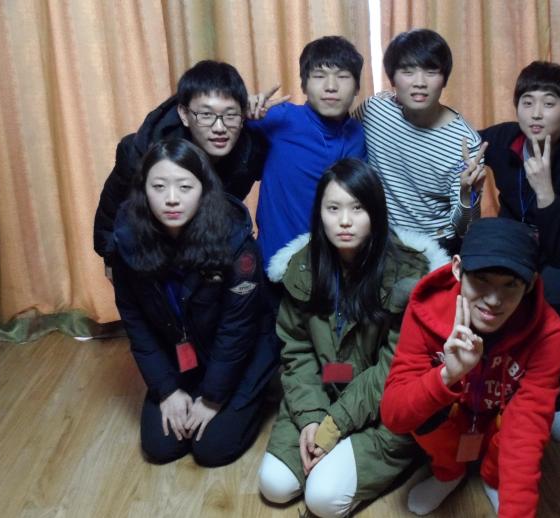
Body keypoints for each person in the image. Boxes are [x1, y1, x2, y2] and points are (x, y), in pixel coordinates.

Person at [257, 158, 448, 518]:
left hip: (385, 410)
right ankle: (327, 448)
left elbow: (394, 369)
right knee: (275, 485)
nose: (344, 221)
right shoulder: (302, 267)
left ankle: (407, 456)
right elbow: (297, 354)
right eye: (333, 208)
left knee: (322, 499)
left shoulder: (409, 275)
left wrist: (335, 426)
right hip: (323, 393)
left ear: (376, 212)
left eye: (357, 208)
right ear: (320, 214)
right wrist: (312, 418)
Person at [381, 218, 560, 517]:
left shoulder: (549, 333)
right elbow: (394, 415)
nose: (493, 300)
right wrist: (447, 375)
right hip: (455, 418)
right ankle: (449, 473)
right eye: (481, 279)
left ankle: (493, 477)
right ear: (457, 269)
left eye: (510, 285)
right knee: (423, 409)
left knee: (526, 425)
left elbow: (527, 431)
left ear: (530, 283)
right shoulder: (425, 311)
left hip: (499, 419)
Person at [110, 138, 277, 467]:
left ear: (203, 189)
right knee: (161, 447)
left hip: (242, 354)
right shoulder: (128, 241)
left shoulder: (234, 241)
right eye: (159, 186)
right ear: (144, 190)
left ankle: (255, 394)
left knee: (211, 448)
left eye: (185, 187)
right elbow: (137, 327)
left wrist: (212, 397)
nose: (172, 198)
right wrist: (167, 390)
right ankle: (190, 389)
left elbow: (237, 330)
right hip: (181, 355)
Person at [478, 61, 560, 442]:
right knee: (478, 274)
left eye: (549, 104)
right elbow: (456, 141)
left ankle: (553, 398)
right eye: (527, 102)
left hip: (555, 251)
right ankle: (488, 386)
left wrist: (546, 192)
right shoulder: (503, 139)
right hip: (512, 242)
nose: (536, 113)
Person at [95, 60, 266, 274]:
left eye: (229, 114)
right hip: (151, 254)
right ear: (184, 115)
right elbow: (111, 210)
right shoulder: (142, 151)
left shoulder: (249, 149)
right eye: (206, 115)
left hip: (208, 251)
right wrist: (111, 258)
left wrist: (264, 120)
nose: (219, 127)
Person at [352, 28, 487, 255]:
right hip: (380, 239)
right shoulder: (374, 111)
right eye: (407, 71)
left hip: (434, 245)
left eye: (431, 71)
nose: (419, 82)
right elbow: (339, 138)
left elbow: (464, 230)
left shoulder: (465, 144)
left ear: (444, 79)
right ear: (392, 78)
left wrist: (467, 195)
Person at [246, 35, 366, 269]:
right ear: (303, 85)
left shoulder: (358, 134)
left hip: (334, 268)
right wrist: (243, 109)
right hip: (276, 266)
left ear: (357, 88)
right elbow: (218, 127)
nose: (331, 87)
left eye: (342, 77)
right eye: (319, 76)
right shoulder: (280, 118)